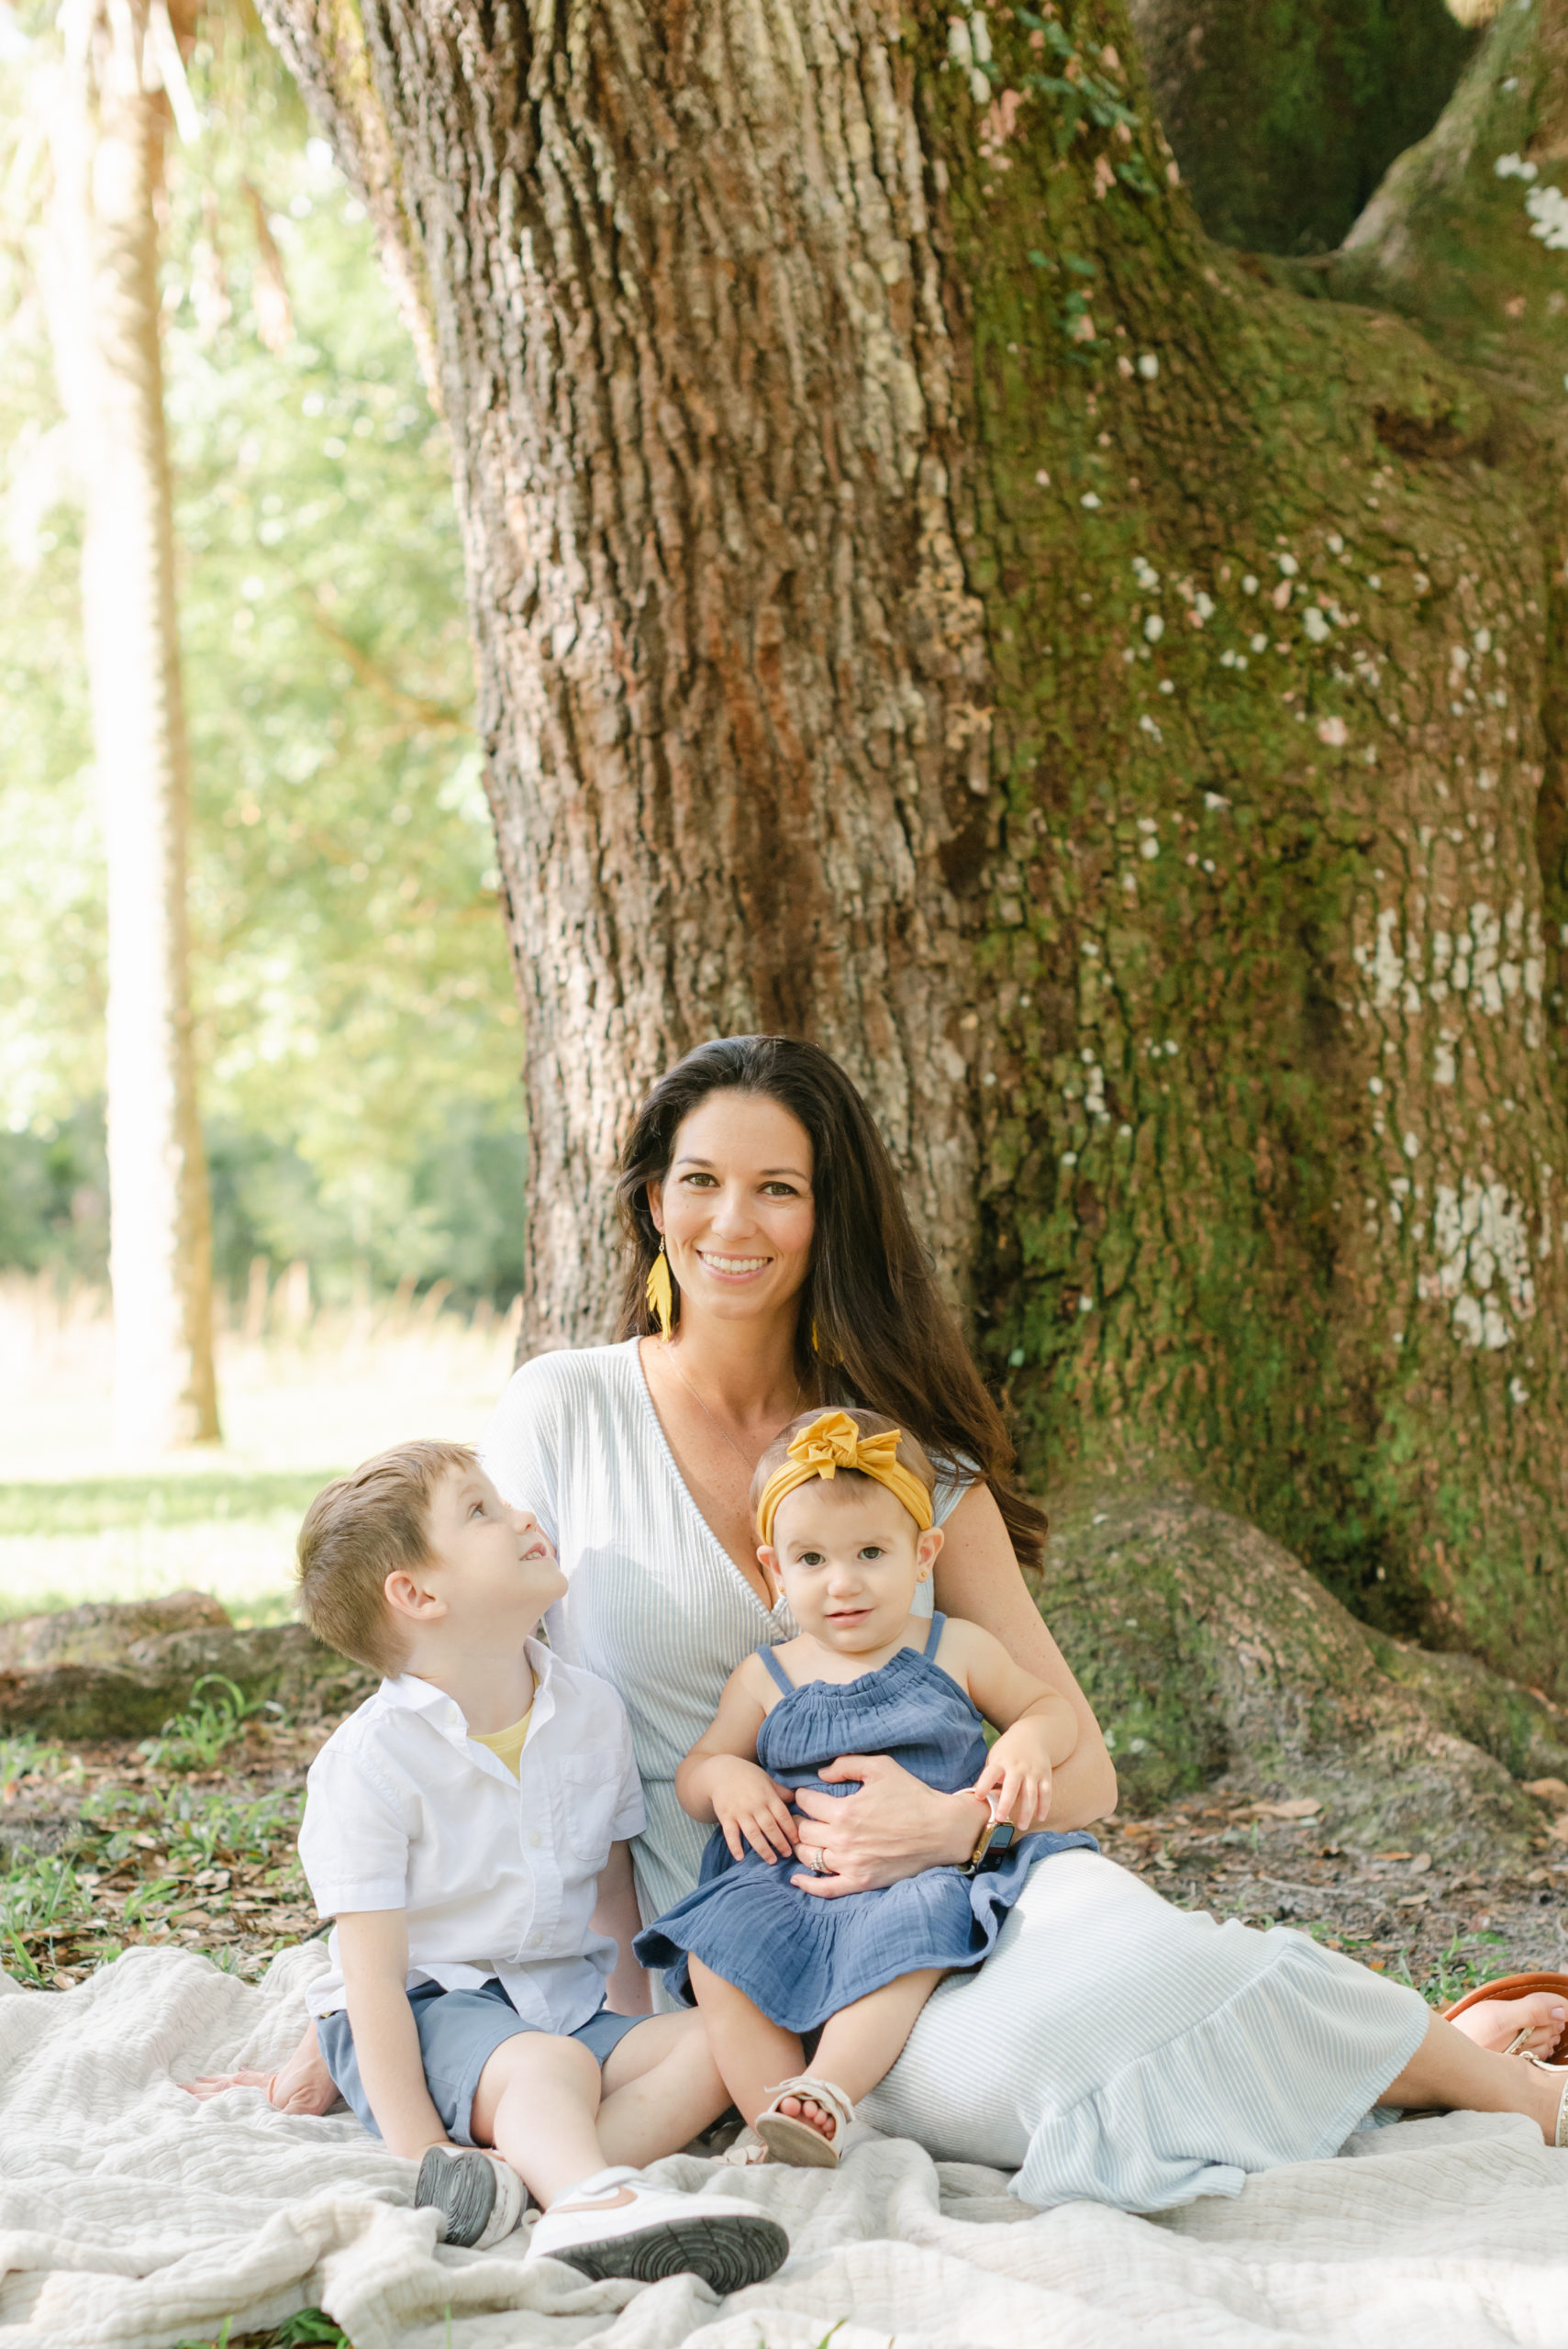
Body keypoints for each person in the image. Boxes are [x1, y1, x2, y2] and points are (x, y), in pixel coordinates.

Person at [206, 1037, 1568, 2201]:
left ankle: (1501, 2086)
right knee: (1019, 2091)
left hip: (963, 1893)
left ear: (827, 1213)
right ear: (650, 1202)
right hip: (749, 1944)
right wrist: (359, 2015)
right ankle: (1433, 2045)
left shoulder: (906, 1466)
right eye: (700, 1182)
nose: (731, 1223)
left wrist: (957, 1819)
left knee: (1134, 1950)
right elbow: (453, 1705)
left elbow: (1082, 1762)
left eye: (776, 1188)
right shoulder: (564, 1410)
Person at [267, 1438, 787, 2288]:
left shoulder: (590, 1708)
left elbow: (611, 1889)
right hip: (430, 2005)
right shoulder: (370, 1762)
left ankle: (514, 2185)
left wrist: (631, 2026)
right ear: (417, 1593)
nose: (521, 1516)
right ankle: (588, 2199)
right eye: (479, 1510)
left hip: (564, 2002)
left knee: (719, 2040)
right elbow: (371, 1982)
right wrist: (422, 2153)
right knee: (552, 2067)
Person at [634, 1405, 1097, 2164]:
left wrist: (1023, 1744)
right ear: (773, 1571)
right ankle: (770, 2117)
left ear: (923, 1555)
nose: (842, 1583)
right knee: (714, 1952)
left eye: (870, 1553)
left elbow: (1050, 1710)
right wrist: (725, 1778)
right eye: (810, 1560)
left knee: (907, 1942)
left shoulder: (955, 1648)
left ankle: (827, 2091)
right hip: (789, 1883)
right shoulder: (766, 1676)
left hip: (917, 1875)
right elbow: (695, 1770)